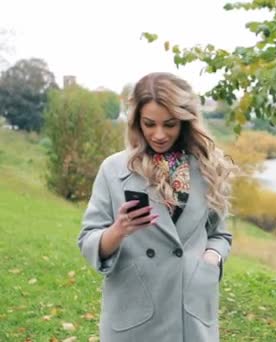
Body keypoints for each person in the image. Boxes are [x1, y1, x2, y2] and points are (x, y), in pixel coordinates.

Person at [78, 72, 236, 341]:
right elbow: (88, 240)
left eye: (170, 124)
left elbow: (220, 235)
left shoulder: (206, 168)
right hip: (135, 314)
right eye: (149, 124)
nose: (159, 135)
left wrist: (212, 258)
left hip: (191, 313)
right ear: (137, 122)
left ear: (185, 122)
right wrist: (118, 230)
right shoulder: (114, 169)